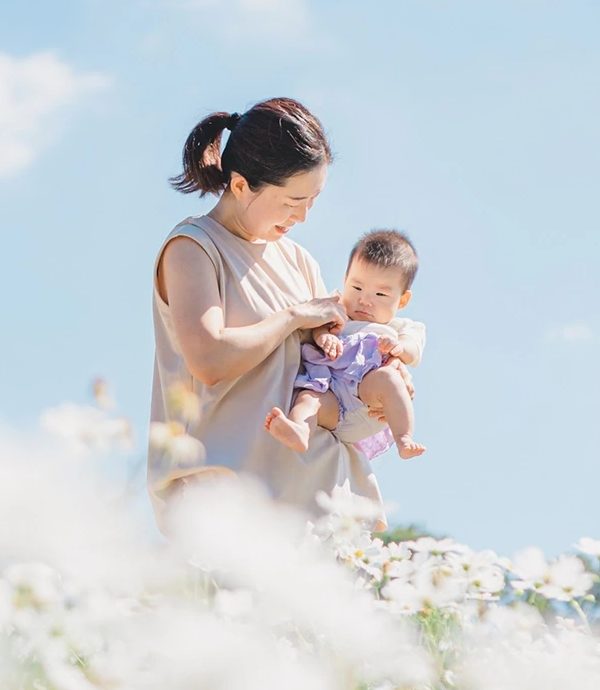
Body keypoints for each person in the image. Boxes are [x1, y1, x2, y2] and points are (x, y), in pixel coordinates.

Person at [148, 99, 408, 525]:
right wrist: (293, 317)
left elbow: (328, 370)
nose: (303, 215)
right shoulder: (193, 249)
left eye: (313, 199)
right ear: (239, 186)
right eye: (292, 200)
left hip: (326, 498)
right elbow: (209, 358)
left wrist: (381, 379)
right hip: (231, 504)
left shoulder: (299, 260)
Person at [265, 228, 427, 463]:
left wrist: (398, 348)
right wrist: (323, 336)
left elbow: (413, 348)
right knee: (309, 397)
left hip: (368, 403)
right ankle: (300, 429)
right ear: (345, 280)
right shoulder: (336, 309)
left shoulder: (400, 326)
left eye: (380, 294)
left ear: (402, 300)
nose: (364, 299)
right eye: (357, 287)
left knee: (389, 379)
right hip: (334, 401)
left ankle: (404, 438)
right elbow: (317, 325)